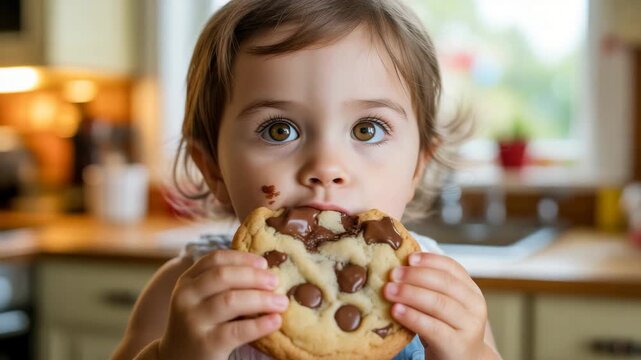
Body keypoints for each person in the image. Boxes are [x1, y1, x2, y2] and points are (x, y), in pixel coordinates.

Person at [112, 0, 502, 359]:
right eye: (280, 130)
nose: (326, 166)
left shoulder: (439, 294)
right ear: (212, 166)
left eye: (367, 129)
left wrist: (469, 353)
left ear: (418, 166)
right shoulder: (185, 293)